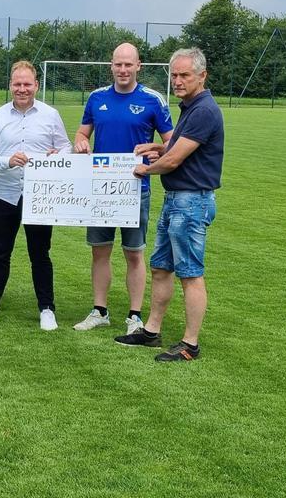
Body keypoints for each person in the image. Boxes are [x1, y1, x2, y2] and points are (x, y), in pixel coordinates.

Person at [114, 47, 224, 362]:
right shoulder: (190, 107)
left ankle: (190, 344)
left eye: (184, 75)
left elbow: (175, 160)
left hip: (191, 200)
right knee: (161, 267)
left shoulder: (204, 110)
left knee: (189, 272)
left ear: (202, 76)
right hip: (176, 199)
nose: (177, 80)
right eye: (174, 75)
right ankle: (151, 331)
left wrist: (145, 169)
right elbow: (176, 149)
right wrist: (158, 147)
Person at [71, 43, 173, 334]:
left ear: (139, 66)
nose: (123, 70)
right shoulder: (97, 98)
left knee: (134, 254)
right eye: (118, 64)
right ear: (111, 66)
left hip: (135, 189)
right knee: (99, 252)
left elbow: (172, 142)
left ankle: (135, 316)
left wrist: (157, 149)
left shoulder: (153, 100)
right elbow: (82, 132)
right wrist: (80, 142)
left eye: (129, 64)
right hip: (100, 188)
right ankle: (99, 311)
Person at [0, 60, 72, 331]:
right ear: (10, 85)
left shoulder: (50, 115)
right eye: (17, 84)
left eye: (27, 84)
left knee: (40, 254)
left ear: (36, 85)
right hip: (4, 195)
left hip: (39, 197)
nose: (22, 89)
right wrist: (7, 161)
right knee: (0, 253)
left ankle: (47, 308)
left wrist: (58, 155)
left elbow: (66, 147)